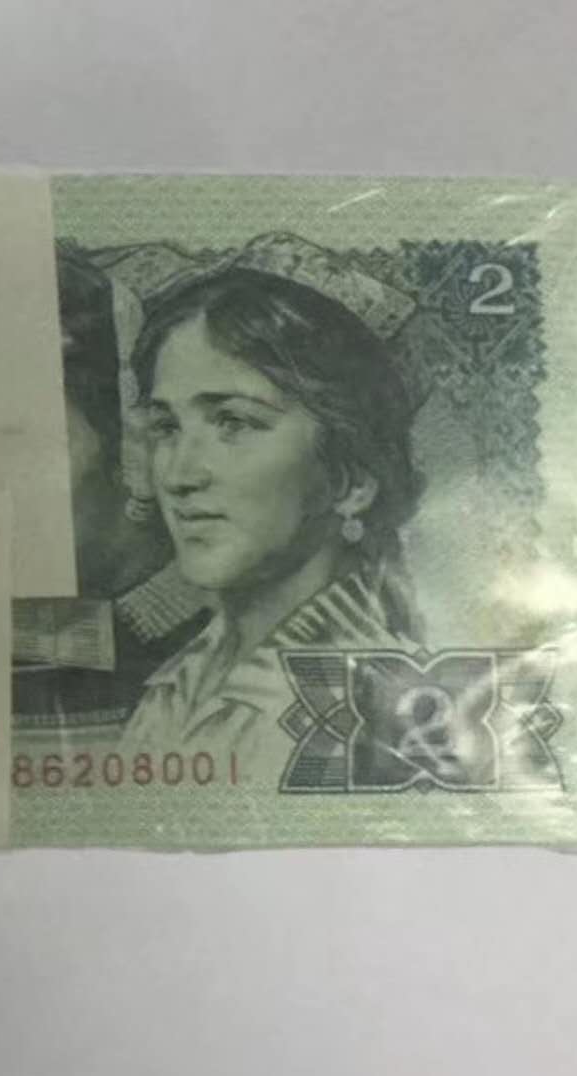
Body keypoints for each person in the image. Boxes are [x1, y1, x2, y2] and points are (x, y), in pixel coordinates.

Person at [120, 266, 425, 779]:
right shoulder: (179, 680)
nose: (177, 475)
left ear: (350, 481)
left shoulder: (379, 708)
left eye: (233, 422)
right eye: (167, 426)